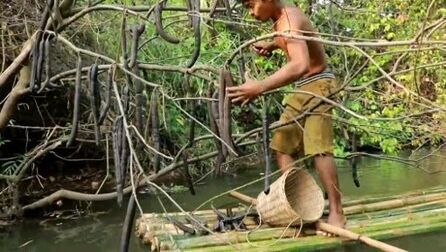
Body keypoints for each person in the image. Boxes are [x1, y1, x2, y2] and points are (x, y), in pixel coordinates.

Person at [227, 0, 346, 231]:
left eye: (251, 5)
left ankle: (337, 211)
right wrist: (273, 46)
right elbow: (293, 41)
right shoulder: (281, 20)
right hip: (304, 88)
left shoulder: (289, 20)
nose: (251, 13)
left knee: (318, 148)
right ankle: (300, 203)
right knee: (282, 146)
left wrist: (259, 87)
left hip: (319, 84)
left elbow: (300, 64)